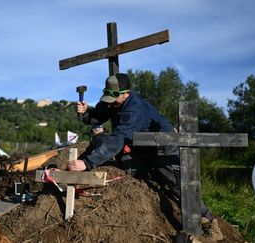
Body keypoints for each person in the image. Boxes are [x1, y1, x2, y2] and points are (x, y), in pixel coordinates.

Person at [69, 73, 222, 239]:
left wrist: (87, 163)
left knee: (177, 184)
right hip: (140, 147)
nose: (110, 103)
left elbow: (118, 139)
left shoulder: (135, 109)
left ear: (126, 93)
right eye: (107, 96)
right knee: (130, 166)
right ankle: (153, 195)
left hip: (163, 147)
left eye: (114, 97)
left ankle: (208, 222)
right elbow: (96, 116)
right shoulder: (111, 102)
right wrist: (85, 113)